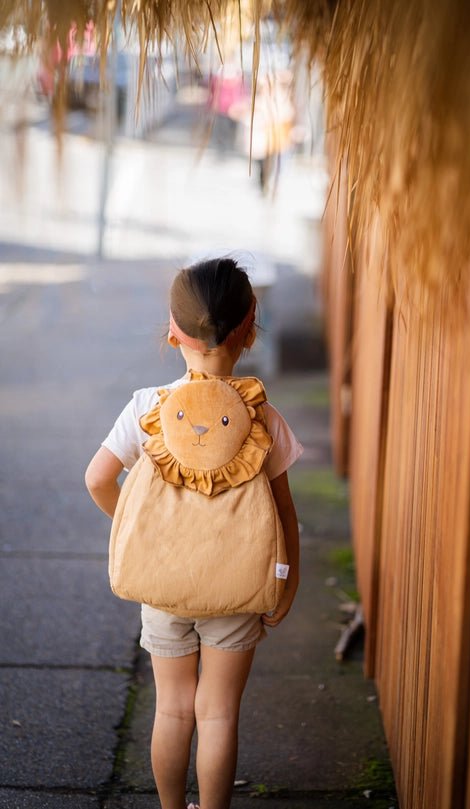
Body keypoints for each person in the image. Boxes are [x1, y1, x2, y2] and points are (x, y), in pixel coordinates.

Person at [85, 256, 302, 809]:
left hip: (164, 590)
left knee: (174, 708)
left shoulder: (146, 409)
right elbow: (282, 513)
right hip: (236, 589)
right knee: (218, 712)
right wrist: (286, 579)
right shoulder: (263, 418)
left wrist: (141, 532)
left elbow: (98, 478)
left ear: (173, 330)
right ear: (250, 328)